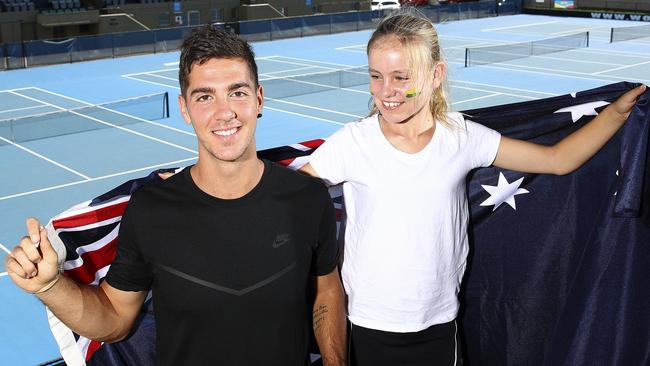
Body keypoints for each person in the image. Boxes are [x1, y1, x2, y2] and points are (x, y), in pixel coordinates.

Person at [299, 13, 646, 366]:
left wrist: (617, 115)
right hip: (366, 326)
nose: (386, 91)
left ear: (436, 75)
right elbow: (292, 198)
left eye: (401, 77)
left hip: (438, 327)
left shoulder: (461, 136)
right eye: (376, 76)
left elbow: (558, 159)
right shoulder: (354, 143)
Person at [4, 26, 347, 366]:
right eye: (205, 96)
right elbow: (115, 319)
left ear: (259, 99)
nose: (224, 111)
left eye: (237, 93)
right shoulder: (151, 209)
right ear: (184, 108)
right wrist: (49, 287)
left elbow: (326, 290)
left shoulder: (307, 197)